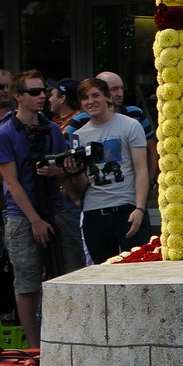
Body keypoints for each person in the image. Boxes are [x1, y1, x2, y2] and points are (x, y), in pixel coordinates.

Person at [0, 70, 85, 349]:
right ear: (18, 96)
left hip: (57, 207)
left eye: (43, 90)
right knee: (28, 283)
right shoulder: (5, 132)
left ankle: (69, 340)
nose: (42, 96)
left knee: (70, 276)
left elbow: (62, 172)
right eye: (34, 92)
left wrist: (58, 171)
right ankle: (34, 349)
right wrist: (35, 220)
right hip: (22, 215)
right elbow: (11, 181)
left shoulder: (53, 129)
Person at [66, 78, 150, 264]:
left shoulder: (130, 125)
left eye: (96, 95)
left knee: (139, 268)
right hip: (94, 212)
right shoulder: (79, 136)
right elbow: (82, 185)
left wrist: (140, 208)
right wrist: (75, 173)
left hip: (127, 208)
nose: (91, 101)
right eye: (85, 98)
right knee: (103, 272)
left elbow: (141, 169)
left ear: (107, 96)